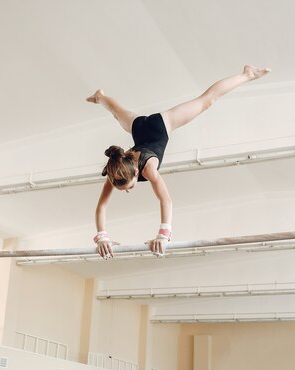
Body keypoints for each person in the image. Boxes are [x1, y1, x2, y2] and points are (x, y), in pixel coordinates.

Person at [87, 65, 271, 259]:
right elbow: (101, 206)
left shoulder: (148, 169)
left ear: (135, 172)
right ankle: (100, 96)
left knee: (206, 101)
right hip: (138, 128)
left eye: (128, 187)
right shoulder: (116, 169)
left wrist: (163, 235)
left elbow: (166, 200)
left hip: (160, 126)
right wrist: (102, 238)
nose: (127, 190)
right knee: (116, 111)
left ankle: (247, 74)